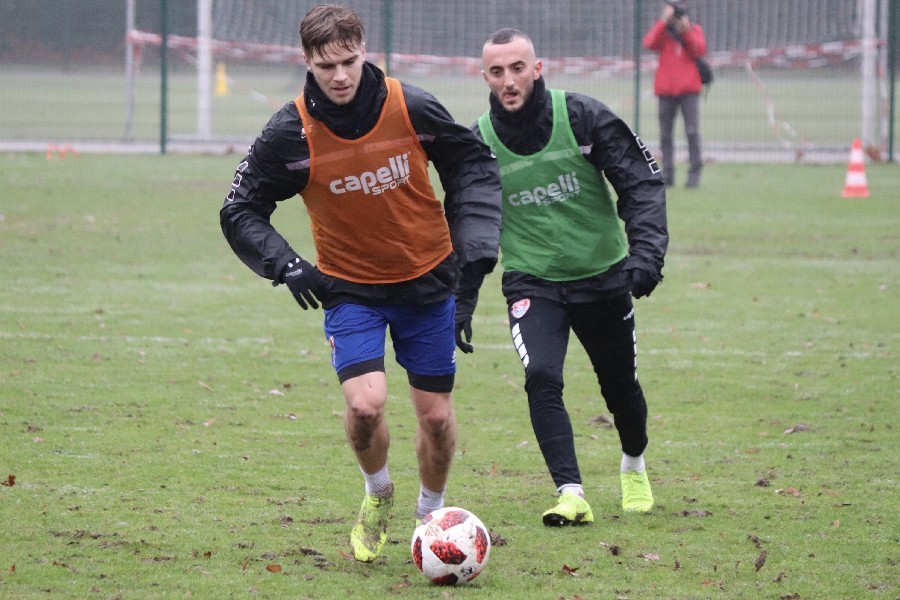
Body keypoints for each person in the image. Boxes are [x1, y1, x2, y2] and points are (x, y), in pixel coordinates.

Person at [220, 4, 502, 562]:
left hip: (427, 280)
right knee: (366, 406)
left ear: (365, 51)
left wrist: (472, 253)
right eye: (327, 66)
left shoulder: (411, 105)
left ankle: (430, 515)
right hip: (350, 288)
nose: (340, 76)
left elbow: (471, 167)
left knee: (438, 418)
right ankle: (378, 493)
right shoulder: (290, 130)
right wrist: (287, 264)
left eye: (349, 61)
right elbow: (239, 208)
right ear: (306, 62)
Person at [475, 29, 667, 526]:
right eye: (497, 71)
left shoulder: (581, 115)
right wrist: (459, 297)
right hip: (531, 281)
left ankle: (633, 463)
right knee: (541, 375)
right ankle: (571, 492)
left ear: (537, 69)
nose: (509, 80)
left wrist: (645, 255)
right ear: (485, 78)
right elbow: (467, 221)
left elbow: (639, 183)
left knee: (621, 388)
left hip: (602, 277)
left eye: (518, 68)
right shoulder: (480, 142)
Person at [643, 1, 708, 188]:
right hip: (666, 90)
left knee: (692, 132)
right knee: (665, 135)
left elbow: (699, 50)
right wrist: (664, 21)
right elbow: (649, 42)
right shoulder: (663, 32)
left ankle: (694, 174)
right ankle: (668, 174)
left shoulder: (694, 29)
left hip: (689, 90)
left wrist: (685, 30)